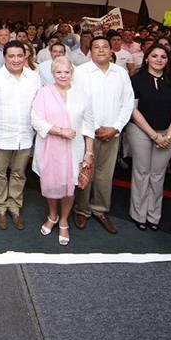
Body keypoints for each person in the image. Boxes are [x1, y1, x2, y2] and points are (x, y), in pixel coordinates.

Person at [71, 35, 134, 234]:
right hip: (86, 133)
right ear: (90, 51)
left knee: (105, 175)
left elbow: (127, 102)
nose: (100, 50)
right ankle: (81, 209)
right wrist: (92, 128)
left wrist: (116, 127)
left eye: (104, 47)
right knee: (85, 171)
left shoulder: (121, 73)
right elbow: (75, 102)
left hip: (112, 132)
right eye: (96, 47)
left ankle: (100, 209)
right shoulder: (80, 72)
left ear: (111, 50)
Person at [0, 40, 41, 230]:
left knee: (19, 173)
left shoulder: (34, 78)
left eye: (19, 56)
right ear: (4, 57)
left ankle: (14, 207)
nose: (16, 60)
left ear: (26, 57)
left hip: (24, 135)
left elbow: (39, 107)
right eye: (11, 56)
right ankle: (0, 208)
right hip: (0, 136)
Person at [31, 56, 93, 246]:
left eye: (66, 72)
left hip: (75, 148)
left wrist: (89, 152)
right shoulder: (43, 93)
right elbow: (36, 120)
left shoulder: (81, 94)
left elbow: (89, 124)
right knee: (51, 183)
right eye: (59, 72)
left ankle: (64, 220)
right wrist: (60, 131)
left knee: (70, 184)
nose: (63, 75)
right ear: (52, 74)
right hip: (50, 145)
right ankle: (52, 215)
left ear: (72, 73)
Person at [127, 45, 171, 230]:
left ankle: (153, 215)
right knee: (142, 172)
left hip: (167, 133)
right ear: (147, 58)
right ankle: (138, 214)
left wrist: (168, 134)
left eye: (163, 57)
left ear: (168, 60)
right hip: (141, 131)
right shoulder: (136, 79)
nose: (159, 59)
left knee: (158, 175)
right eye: (154, 56)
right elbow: (133, 110)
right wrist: (153, 135)